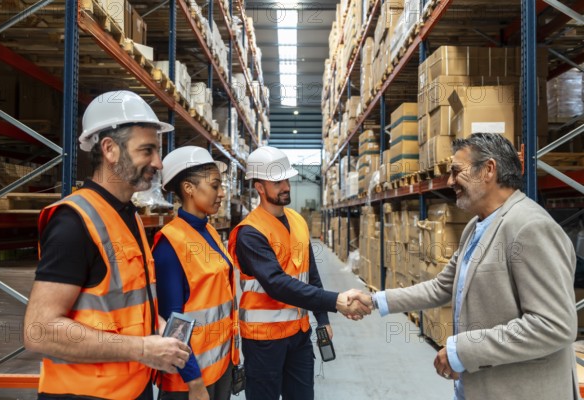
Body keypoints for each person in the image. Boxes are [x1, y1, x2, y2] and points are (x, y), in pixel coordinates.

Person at [349, 132, 579, 399]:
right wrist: (374, 300)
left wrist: (463, 351)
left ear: (489, 170)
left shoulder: (529, 227)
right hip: (479, 387)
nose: (449, 181)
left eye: (457, 171)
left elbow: (553, 325)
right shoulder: (477, 225)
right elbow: (441, 286)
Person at [23, 91, 191, 400]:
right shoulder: (74, 223)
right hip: (85, 394)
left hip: (132, 388)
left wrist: (156, 325)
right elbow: (40, 330)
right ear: (110, 149)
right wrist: (141, 348)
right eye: (147, 150)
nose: (158, 162)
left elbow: (119, 304)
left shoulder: (130, 217)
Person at [228, 146, 371, 400]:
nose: (285, 186)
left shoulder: (297, 221)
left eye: (286, 179)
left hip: (299, 335)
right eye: (277, 182)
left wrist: (323, 319)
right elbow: (277, 284)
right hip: (264, 341)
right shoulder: (250, 233)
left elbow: (310, 275)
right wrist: (336, 301)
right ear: (260, 187)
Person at [152, 146, 239, 400]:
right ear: (189, 188)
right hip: (188, 381)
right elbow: (172, 323)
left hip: (219, 367)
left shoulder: (209, 231)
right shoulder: (170, 244)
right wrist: (195, 382)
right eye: (215, 186)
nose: (221, 193)